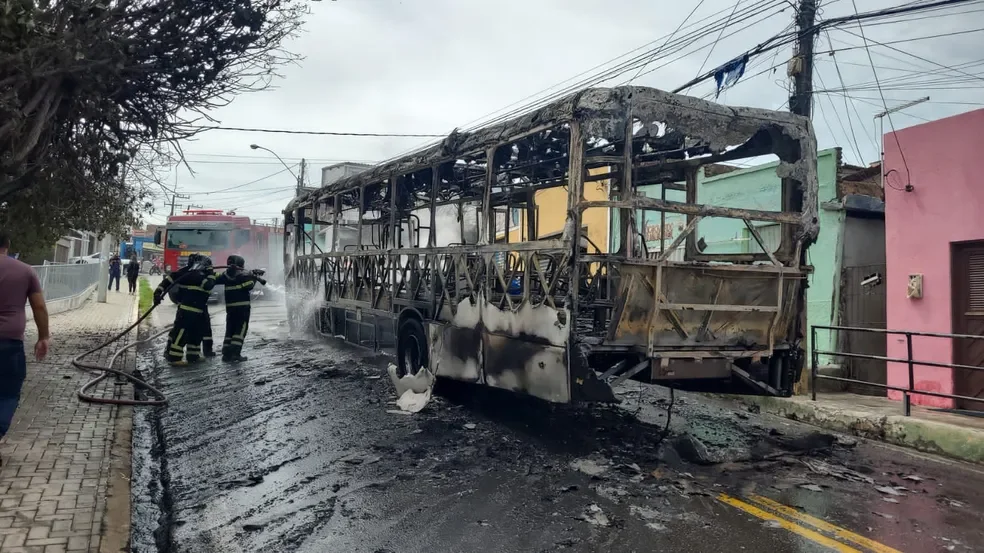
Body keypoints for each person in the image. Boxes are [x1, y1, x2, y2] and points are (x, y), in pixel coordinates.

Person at [0, 231, 50, 462]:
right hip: (9, 343)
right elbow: (39, 307)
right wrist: (43, 337)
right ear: (7, 245)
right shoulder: (25, 271)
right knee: (8, 393)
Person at [153, 254, 216, 366]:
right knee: (182, 333)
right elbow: (209, 285)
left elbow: (167, 281)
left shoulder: (186, 272)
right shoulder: (197, 275)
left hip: (199, 310)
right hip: (188, 310)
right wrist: (210, 271)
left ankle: (193, 355)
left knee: (196, 333)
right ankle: (174, 357)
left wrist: (158, 293)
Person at [215, 255, 265, 362]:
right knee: (240, 330)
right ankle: (235, 353)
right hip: (242, 309)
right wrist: (253, 277)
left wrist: (251, 273)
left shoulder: (225, 275)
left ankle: (226, 353)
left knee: (230, 330)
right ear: (240, 265)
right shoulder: (243, 276)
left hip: (230, 309)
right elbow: (249, 285)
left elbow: (218, 278)